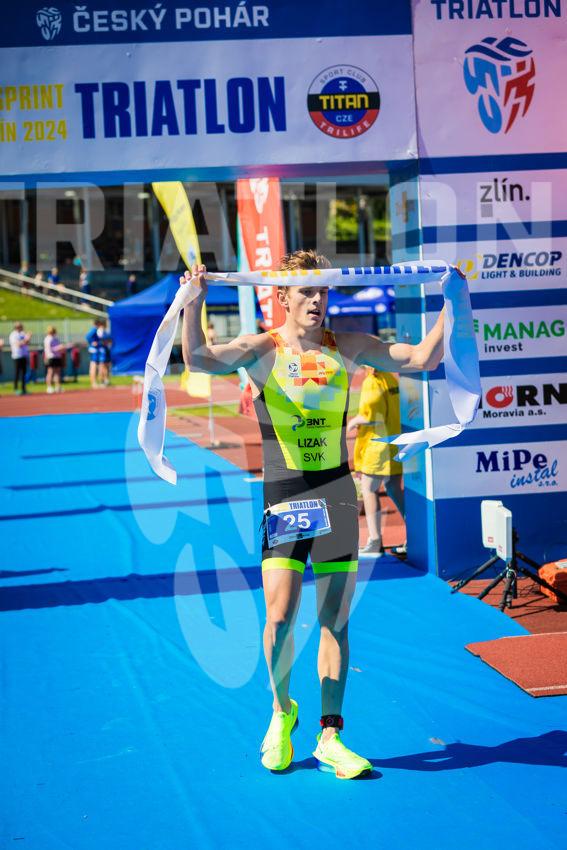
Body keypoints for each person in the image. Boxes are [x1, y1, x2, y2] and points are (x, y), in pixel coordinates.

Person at [179, 250, 445, 780]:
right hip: (286, 496)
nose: (317, 300)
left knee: (334, 621)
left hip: (337, 494)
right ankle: (282, 710)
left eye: (323, 290)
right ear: (282, 296)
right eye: (307, 291)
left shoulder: (347, 347)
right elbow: (198, 360)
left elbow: (422, 359)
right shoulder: (261, 349)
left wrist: (453, 303)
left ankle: (330, 735)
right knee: (279, 618)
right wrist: (194, 302)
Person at [347, 369, 406, 556]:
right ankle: (417, 533)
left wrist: (353, 421)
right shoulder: (390, 378)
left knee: (369, 489)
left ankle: (375, 540)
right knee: (394, 489)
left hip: (377, 447)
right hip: (394, 442)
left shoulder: (372, 381)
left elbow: (371, 417)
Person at [9, 322, 31, 395]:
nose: (22, 327)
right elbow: (18, 344)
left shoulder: (22, 334)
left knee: (24, 373)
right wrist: (26, 339)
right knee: (17, 373)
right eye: (21, 326)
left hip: (24, 356)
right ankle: (15, 389)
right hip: (17, 356)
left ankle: (23, 388)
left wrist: (28, 338)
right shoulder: (13, 335)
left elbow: (27, 342)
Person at [44, 325, 64, 394]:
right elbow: (49, 349)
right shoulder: (48, 339)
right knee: (50, 372)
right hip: (51, 357)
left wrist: (61, 349)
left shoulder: (55, 338)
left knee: (57, 372)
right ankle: (49, 387)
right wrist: (58, 348)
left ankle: (58, 386)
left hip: (57, 357)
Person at [86, 319, 102, 388]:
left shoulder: (95, 330)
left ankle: (94, 382)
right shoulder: (94, 330)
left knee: (94, 366)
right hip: (94, 349)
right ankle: (93, 382)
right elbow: (87, 336)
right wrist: (91, 343)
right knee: (94, 366)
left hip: (95, 349)